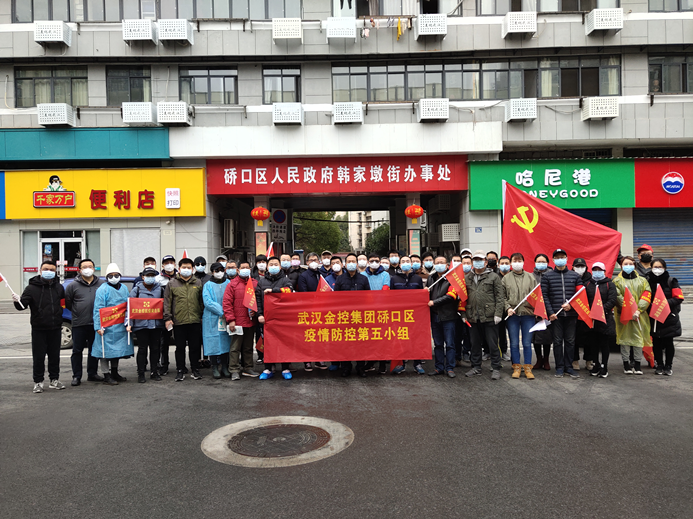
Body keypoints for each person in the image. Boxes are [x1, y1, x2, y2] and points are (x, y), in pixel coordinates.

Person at [14, 260, 66, 393]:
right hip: (39, 328)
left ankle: (54, 380)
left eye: (52, 270)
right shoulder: (31, 288)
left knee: (54, 356)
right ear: (40, 271)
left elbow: (63, 304)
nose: (49, 272)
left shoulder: (59, 287)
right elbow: (22, 306)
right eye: (46, 269)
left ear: (55, 272)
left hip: (55, 327)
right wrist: (17, 301)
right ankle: (38, 382)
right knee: (39, 357)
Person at [541, 249, 583, 379]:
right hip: (556, 316)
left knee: (570, 341)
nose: (560, 259)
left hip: (571, 315)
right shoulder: (547, 276)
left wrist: (572, 306)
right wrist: (550, 312)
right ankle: (559, 367)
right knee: (557, 342)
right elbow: (544, 296)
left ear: (566, 258)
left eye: (562, 257)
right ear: (553, 260)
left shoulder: (575, 276)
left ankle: (569, 367)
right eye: (557, 257)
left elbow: (580, 295)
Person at [463, 250, 504, 380]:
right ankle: (476, 367)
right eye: (475, 260)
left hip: (490, 316)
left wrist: (498, 313)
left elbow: (500, 297)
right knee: (475, 344)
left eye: (480, 260)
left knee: (492, 344)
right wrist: (463, 314)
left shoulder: (493, 277)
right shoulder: (467, 277)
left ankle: (496, 368)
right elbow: (463, 298)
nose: (478, 262)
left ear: (486, 262)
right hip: (473, 316)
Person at [65, 258, 104, 386]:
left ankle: (92, 374)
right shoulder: (72, 285)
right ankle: (76, 376)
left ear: (94, 268)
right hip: (79, 323)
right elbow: (69, 303)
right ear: (79, 270)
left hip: (96, 323)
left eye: (90, 266)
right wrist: (78, 312)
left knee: (94, 350)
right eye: (84, 267)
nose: (88, 269)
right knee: (77, 351)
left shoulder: (101, 284)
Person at [164, 257, 204, 382]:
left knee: (195, 347)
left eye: (188, 267)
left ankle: (195, 369)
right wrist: (168, 318)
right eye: (184, 267)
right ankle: (180, 370)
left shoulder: (198, 283)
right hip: (178, 321)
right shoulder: (172, 283)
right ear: (179, 268)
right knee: (180, 348)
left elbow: (201, 302)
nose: (186, 269)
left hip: (194, 320)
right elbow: (167, 302)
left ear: (193, 269)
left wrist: (201, 316)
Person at [93, 263, 132, 386]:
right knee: (104, 351)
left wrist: (128, 322)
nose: (114, 277)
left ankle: (115, 372)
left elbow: (128, 306)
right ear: (106, 277)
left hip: (119, 324)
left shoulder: (124, 288)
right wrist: (98, 326)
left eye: (116, 275)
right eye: (111, 275)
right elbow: (98, 309)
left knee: (117, 351)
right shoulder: (102, 289)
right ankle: (106, 375)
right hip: (106, 325)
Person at [614, 256, 652, 375]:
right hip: (623, 314)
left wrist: (639, 310)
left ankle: (637, 364)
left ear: (635, 266)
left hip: (639, 315)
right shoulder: (617, 281)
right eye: (625, 264)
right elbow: (617, 296)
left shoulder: (642, 281)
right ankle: (626, 363)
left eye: (630, 264)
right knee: (624, 339)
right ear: (621, 266)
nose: (628, 266)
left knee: (638, 339)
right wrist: (628, 310)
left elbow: (647, 294)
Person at [334, 253, 371, 377]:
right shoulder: (340, 279)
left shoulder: (363, 279)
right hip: (344, 316)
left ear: (357, 264)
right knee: (345, 343)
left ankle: (360, 367)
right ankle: (346, 367)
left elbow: (368, 297)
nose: (351, 264)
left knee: (360, 343)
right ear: (345, 264)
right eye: (349, 261)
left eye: (353, 261)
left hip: (359, 316)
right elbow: (335, 298)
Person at [257, 256, 294, 380]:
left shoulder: (285, 280)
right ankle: (268, 368)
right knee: (267, 344)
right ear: (267, 267)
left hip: (282, 318)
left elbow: (289, 290)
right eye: (271, 264)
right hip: (267, 319)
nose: (273, 266)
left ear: (280, 266)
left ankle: (285, 368)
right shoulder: (261, 282)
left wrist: (273, 290)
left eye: (276, 264)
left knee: (284, 343)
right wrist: (260, 314)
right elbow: (258, 300)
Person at [223, 261, 261, 381]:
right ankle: (234, 370)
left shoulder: (255, 283)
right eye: (242, 267)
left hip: (250, 321)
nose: (245, 269)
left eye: (247, 267)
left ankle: (248, 368)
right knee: (235, 348)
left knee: (248, 347)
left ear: (250, 269)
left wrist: (256, 311)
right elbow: (227, 303)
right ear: (238, 270)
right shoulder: (232, 284)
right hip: (237, 322)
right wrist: (231, 320)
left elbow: (259, 301)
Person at [646, 258, 684, 376]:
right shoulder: (647, 281)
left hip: (669, 317)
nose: (657, 270)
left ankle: (668, 366)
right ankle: (659, 365)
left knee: (668, 342)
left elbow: (679, 298)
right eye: (655, 267)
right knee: (656, 342)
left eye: (660, 267)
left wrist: (664, 303)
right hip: (654, 317)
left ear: (664, 268)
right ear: (651, 268)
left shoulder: (671, 281)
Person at [127, 266, 164, 383]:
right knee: (142, 349)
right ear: (143, 277)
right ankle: (141, 373)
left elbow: (165, 306)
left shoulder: (160, 289)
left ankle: (154, 372)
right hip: (141, 325)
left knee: (155, 349)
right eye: (148, 276)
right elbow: (129, 307)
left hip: (156, 324)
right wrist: (129, 323)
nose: (150, 278)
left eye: (152, 276)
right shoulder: (137, 290)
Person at [503, 253, 537, 380]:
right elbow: (502, 297)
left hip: (528, 315)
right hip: (513, 315)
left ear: (523, 262)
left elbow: (536, 295)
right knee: (514, 343)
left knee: (527, 343)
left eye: (519, 260)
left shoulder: (530, 277)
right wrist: (508, 308)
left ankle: (528, 367)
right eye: (515, 260)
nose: (517, 263)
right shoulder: (506, 278)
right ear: (511, 263)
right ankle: (516, 367)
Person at [390, 255, 425, 375]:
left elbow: (421, 297)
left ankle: (417, 364)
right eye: (403, 261)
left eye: (407, 261)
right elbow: (391, 297)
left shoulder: (417, 279)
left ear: (411, 264)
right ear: (400, 265)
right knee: (401, 339)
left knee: (416, 339)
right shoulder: (394, 279)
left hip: (415, 315)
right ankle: (401, 364)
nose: (405, 263)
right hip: (400, 315)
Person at [427, 255, 459, 378]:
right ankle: (439, 367)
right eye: (437, 262)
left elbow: (451, 296)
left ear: (447, 265)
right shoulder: (431, 278)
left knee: (450, 344)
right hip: (435, 316)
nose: (439, 265)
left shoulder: (453, 278)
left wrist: (434, 302)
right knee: (438, 344)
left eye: (442, 262)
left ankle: (450, 368)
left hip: (448, 316)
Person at [584, 262, 617, 378]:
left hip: (605, 318)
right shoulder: (588, 284)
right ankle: (596, 364)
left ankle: (604, 366)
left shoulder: (609, 284)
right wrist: (590, 311)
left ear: (604, 271)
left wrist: (601, 310)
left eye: (600, 270)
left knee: (604, 343)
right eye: (595, 270)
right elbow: (584, 299)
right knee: (593, 343)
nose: (597, 272)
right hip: (591, 319)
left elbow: (612, 300)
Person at [362, 253, 391, 374]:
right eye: (372, 260)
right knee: (369, 338)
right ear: (368, 262)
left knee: (382, 337)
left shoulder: (385, 275)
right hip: (367, 311)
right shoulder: (362, 275)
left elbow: (385, 289)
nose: (374, 262)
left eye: (377, 260)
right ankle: (370, 362)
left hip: (381, 310)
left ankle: (382, 363)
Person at [202, 262, 232, 379]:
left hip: (227, 317)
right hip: (211, 317)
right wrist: (222, 312)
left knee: (226, 341)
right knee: (212, 342)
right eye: (216, 270)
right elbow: (207, 301)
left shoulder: (228, 283)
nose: (219, 272)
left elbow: (232, 298)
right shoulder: (207, 285)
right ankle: (214, 366)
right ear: (212, 272)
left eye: (221, 270)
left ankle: (224, 366)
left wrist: (227, 312)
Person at [532, 254, 553, 371]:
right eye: (538, 261)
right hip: (534, 310)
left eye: (543, 261)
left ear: (548, 263)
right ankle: (539, 359)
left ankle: (546, 360)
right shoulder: (531, 276)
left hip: (548, 309)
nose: (541, 263)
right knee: (535, 336)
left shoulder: (551, 275)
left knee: (546, 336)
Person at [156, 254, 176, 375]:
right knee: (164, 342)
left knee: (180, 342)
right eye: (166, 263)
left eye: (171, 262)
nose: (169, 265)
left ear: (175, 264)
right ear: (163, 265)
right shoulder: (158, 279)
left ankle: (181, 365)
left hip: (178, 314)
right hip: (164, 315)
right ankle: (164, 365)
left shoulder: (179, 277)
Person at [572, 257, 593, 371]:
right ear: (573, 267)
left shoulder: (591, 279)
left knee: (588, 338)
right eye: (577, 266)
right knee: (573, 338)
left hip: (587, 312)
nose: (580, 268)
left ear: (586, 268)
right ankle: (574, 360)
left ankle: (589, 360)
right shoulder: (570, 278)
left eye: (582, 266)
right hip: (573, 312)